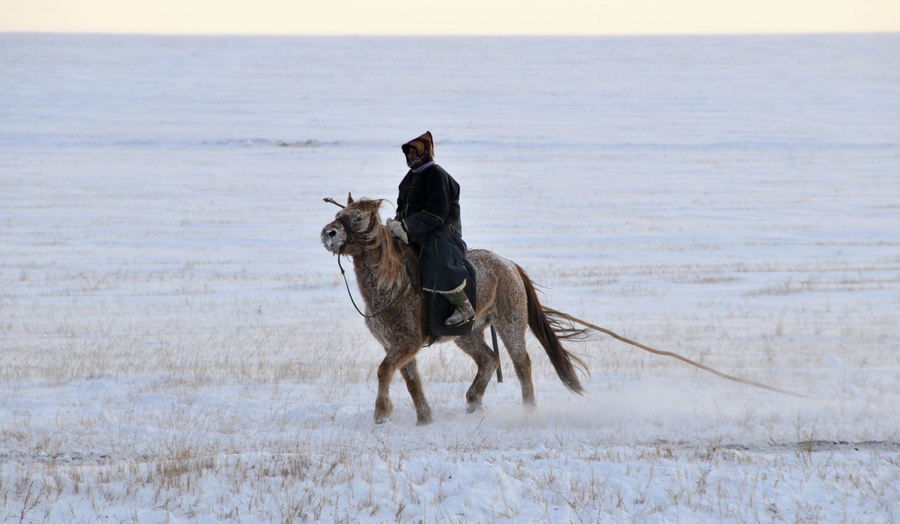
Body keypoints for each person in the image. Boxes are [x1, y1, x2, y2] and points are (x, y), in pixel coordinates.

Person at [386, 131, 475, 327]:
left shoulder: (438, 175)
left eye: (413, 152)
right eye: (408, 153)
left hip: (442, 232)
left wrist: (407, 226)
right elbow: (403, 208)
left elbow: (437, 213)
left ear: (425, 153)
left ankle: (463, 305)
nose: (410, 157)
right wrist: (396, 223)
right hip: (416, 230)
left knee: (436, 255)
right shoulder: (408, 179)